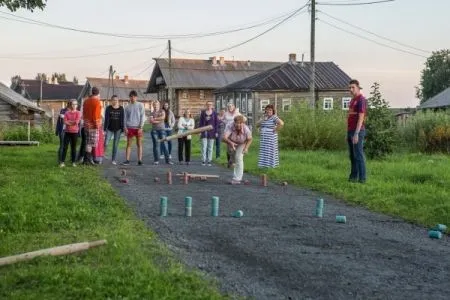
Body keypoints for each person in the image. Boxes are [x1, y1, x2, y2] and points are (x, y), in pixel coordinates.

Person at [347, 79, 367, 183]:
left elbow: (361, 117)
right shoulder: (352, 100)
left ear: (358, 87)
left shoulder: (361, 99)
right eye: (349, 87)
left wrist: (356, 133)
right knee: (352, 155)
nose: (351, 89)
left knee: (359, 155)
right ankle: (353, 177)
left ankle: (362, 179)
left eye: (353, 87)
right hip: (350, 131)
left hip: (357, 131)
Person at [222, 115, 253, 184]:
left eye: (240, 123)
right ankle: (231, 160)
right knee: (232, 155)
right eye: (237, 123)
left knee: (239, 157)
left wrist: (246, 148)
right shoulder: (230, 126)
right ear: (234, 123)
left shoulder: (246, 129)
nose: (238, 125)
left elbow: (250, 139)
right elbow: (224, 138)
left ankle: (237, 179)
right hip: (231, 141)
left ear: (243, 123)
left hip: (242, 143)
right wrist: (231, 143)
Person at [256, 104, 284, 168]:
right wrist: (262, 120)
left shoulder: (274, 117)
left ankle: (271, 165)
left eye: (270, 110)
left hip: (271, 138)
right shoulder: (263, 117)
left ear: (273, 111)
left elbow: (281, 123)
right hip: (263, 138)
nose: (268, 111)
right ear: (265, 110)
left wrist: (276, 129)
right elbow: (257, 125)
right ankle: (263, 165)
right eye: (267, 109)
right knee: (264, 151)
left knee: (270, 151)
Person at [122, 90, 145, 166]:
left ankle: (140, 160)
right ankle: (127, 160)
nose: (132, 98)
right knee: (129, 144)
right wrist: (125, 128)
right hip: (130, 127)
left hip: (138, 127)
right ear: (129, 97)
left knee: (139, 144)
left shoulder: (140, 105)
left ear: (136, 97)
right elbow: (125, 118)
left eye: (134, 96)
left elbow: (142, 116)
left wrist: (141, 127)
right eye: (131, 96)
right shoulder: (127, 107)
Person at [82, 87, 102, 165]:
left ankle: (87, 160)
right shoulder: (97, 102)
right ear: (98, 93)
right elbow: (96, 116)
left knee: (88, 142)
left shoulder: (86, 101)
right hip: (93, 126)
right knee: (91, 143)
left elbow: (83, 113)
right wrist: (98, 126)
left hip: (86, 125)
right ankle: (88, 160)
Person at [149, 100, 173, 165]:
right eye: (154, 105)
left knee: (165, 145)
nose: (155, 106)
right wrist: (159, 120)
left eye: (157, 105)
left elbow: (163, 117)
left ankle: (168, 161)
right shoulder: (151, 113)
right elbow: (151, 121)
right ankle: (156, 160)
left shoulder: (162, 111)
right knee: (155, 145)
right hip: (154, 131)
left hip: (162, 130)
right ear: (153, 105)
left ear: (159, 105)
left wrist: (155, 119)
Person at [59, 100, 81, 167]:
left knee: (73, 147)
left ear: (77, 105)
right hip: (67, 132)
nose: (74, 106)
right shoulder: (66, 113)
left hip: (75, 132)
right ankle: (62, 162)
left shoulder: (78, 113)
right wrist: (71, 122)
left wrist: (69, 122)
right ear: (70, 105)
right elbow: (65, 122)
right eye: (73, 104)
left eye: (75, 104)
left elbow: (76, 122)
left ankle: (73, 162)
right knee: (65, 147)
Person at [103, 95, 124, 165]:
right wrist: (104, 129)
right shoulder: (108, 108)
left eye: (116, 100)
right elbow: (106, 119)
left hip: (118, 129)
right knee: (106, 143)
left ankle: (113, 159)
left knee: (115, 145)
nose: (115, 101)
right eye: (113, 100)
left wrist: (122, 129)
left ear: (118, 101)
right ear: (111, 101)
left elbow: (122, 119)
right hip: (109, 128)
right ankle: (102, 155)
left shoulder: (121, 108)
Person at [199, 101, 218, 166]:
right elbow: (201, 122)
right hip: (204, 132)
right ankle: (203, 160)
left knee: (210, 147)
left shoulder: (214, 113)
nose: (209, 106)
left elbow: (216, 123)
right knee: (204, 147)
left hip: (212, 132)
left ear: (212, 106)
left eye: (210, 104)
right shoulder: (203, 113)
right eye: (208, 104)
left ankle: (209, 160)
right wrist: (200, 131)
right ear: (206, 105)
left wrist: (216, 132)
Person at [223, 102, 242, 167]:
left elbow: (243, 119)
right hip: (227, 131)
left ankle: (233, 162)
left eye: (231, 106)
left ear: (234, 107)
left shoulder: (237, 113)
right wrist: (226, 124)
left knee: (234, 147)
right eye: (229, 106)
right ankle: (229, 161)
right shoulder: (226, 113)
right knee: (228, 148)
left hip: (235, 131)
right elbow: (222, 119)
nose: (230, 107)